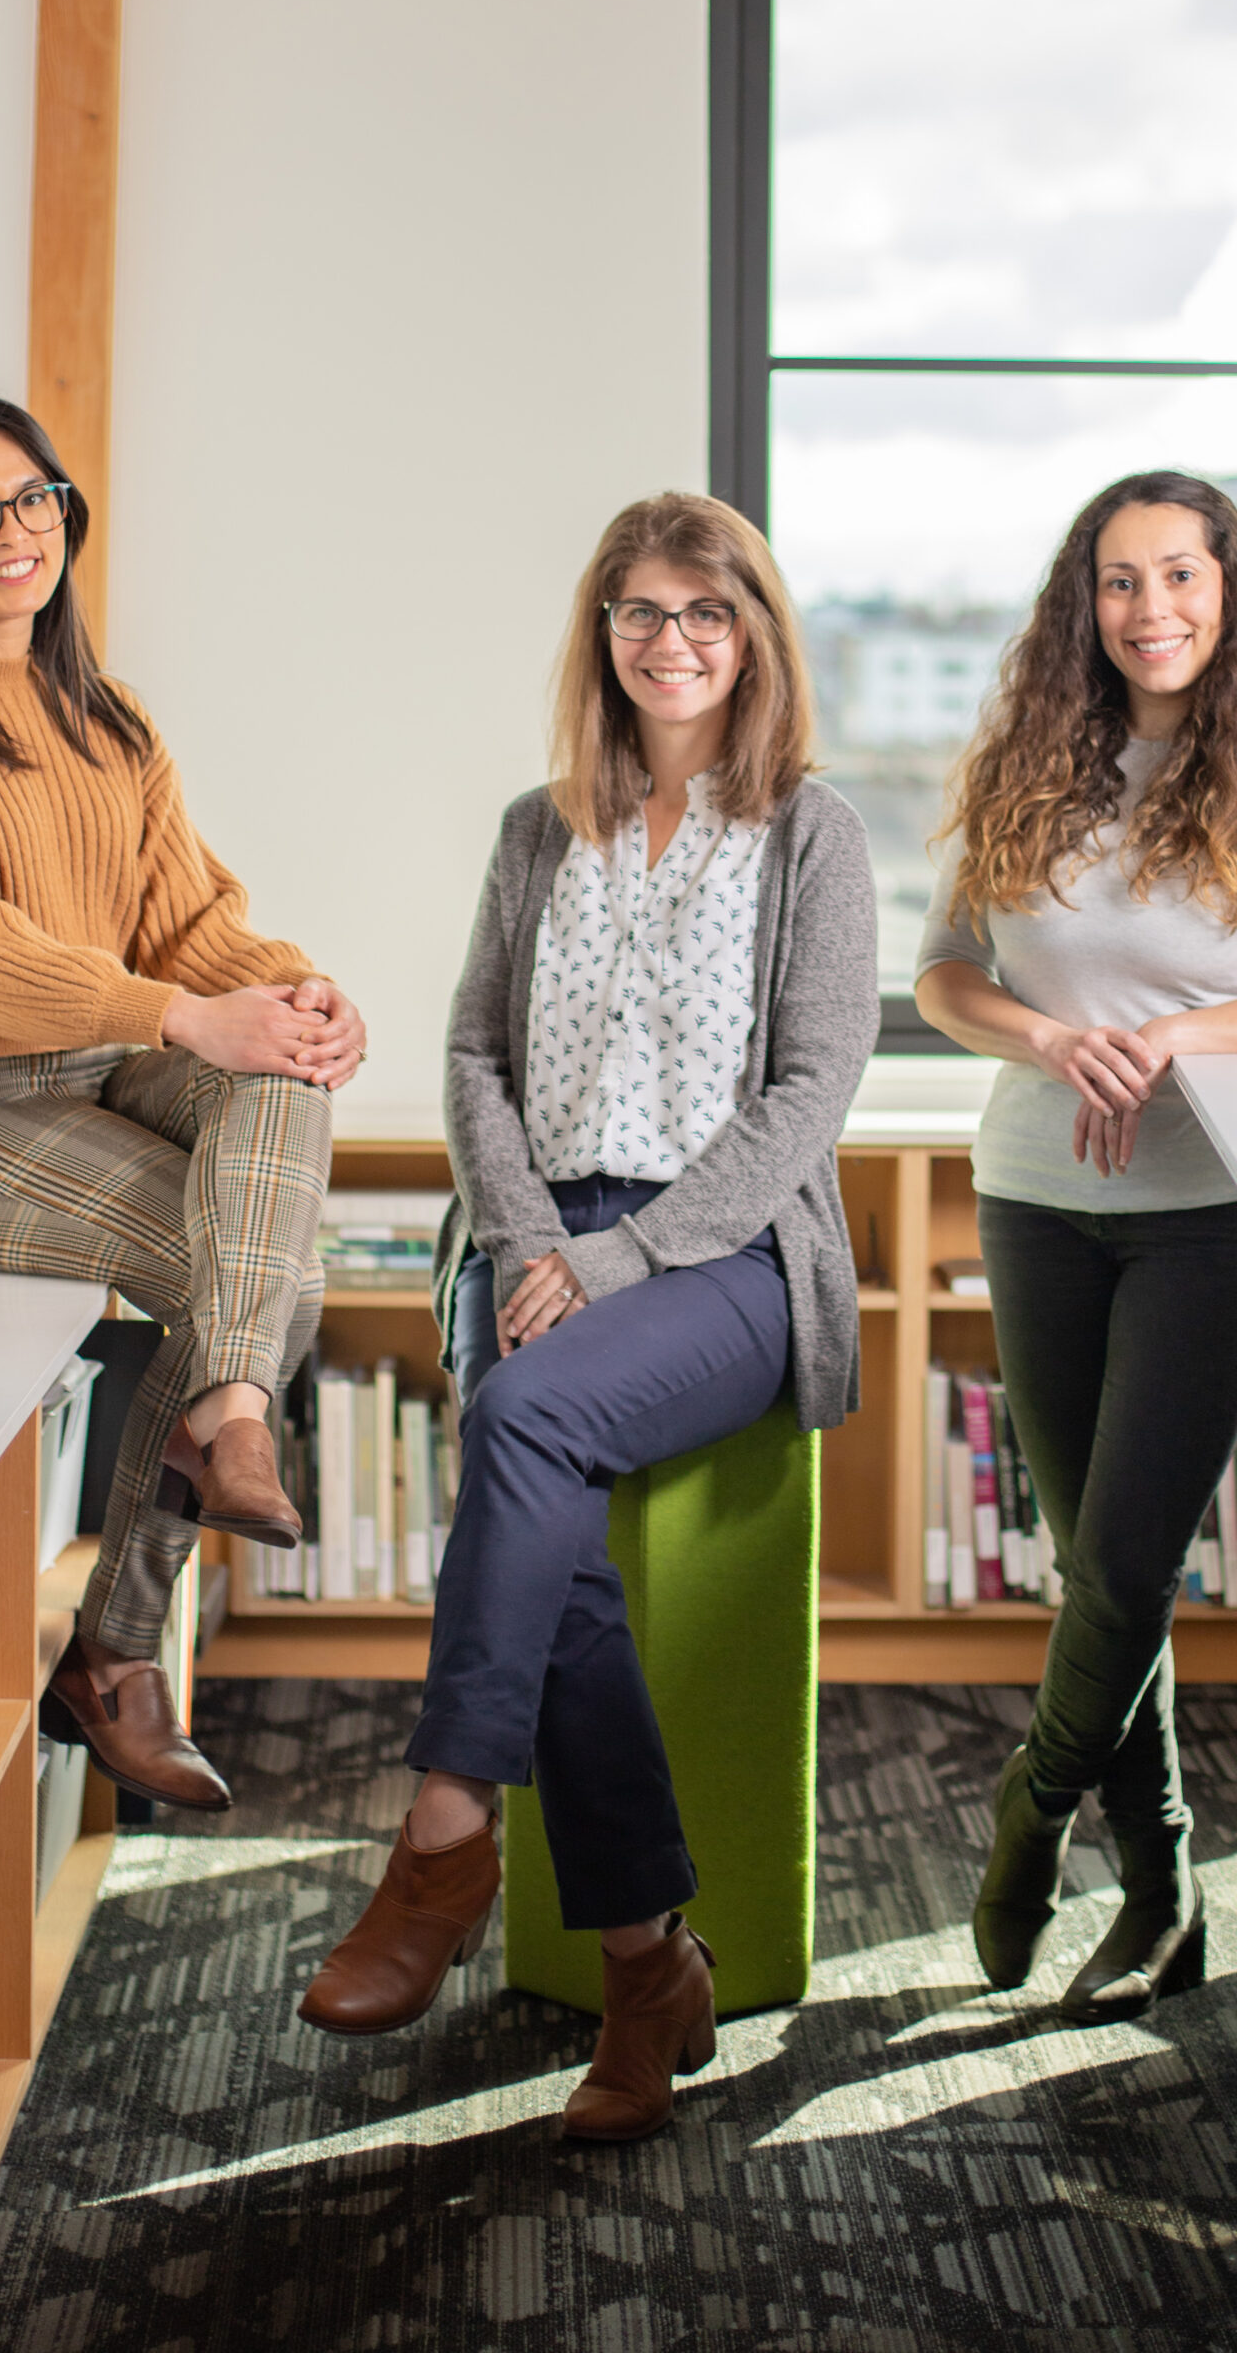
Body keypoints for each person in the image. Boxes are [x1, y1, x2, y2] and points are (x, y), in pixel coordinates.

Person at [298, 493, 876, 2140]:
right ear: (601, 634)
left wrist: (619, 1263)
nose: (673, 641)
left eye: (707, 611)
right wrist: (536, 1235)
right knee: (553, 1536)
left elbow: (814, 1090)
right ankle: (647, 1968)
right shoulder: (536, 828)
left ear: (753, 632)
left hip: (729, 1262)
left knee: (521, 1419)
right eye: (640, 612)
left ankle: (442, 1833)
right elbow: (474, 1056)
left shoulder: (812, 835)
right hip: (540, 1234)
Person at [0, 393, 366, 1811]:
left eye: (36, 496)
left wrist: (299, 998)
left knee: (281, 1086)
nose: (17, 530)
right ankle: (124, 1646)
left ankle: (213, 1434)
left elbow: (192, 921)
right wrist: (184, 1014)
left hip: (108, 1067)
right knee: (253, 1268)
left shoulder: (106, 723)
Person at [914, 469, 1237, 2024]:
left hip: (1218, 1214)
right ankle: (1167, 1880)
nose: (1151, 610)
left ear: (1229, 590)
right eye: (1120, 582)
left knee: (1122, 1561)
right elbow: (944, 976)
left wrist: (1178, 1036)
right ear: (1086, 604)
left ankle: (1030, 1817)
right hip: (1036, 1203)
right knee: (1099, 1573)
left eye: (1179, 576)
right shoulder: (1028, 762)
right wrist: (1054, 1040)